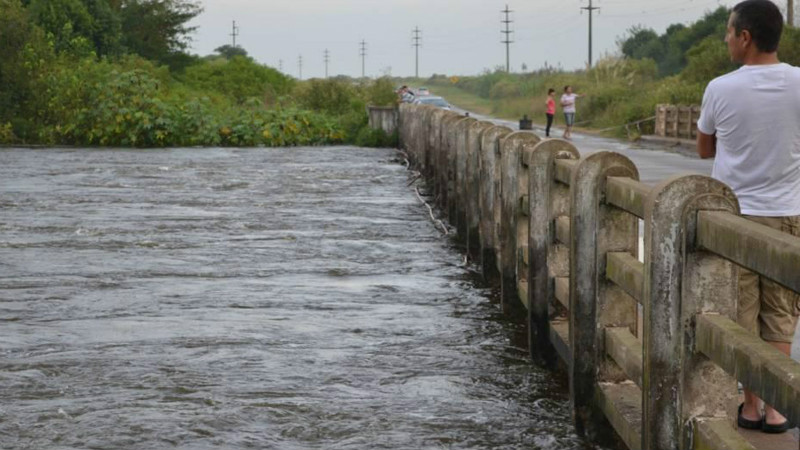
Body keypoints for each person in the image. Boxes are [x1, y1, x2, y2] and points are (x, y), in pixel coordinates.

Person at [696, 0, 800, 434]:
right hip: (787, 215)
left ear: (745, 37)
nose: (725, 39)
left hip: (735, 216)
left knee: (741, 314)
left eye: (728, 32)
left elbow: (704, 148)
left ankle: (751, 405)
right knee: (779, 314)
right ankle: (777, 410)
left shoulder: (720, 88)